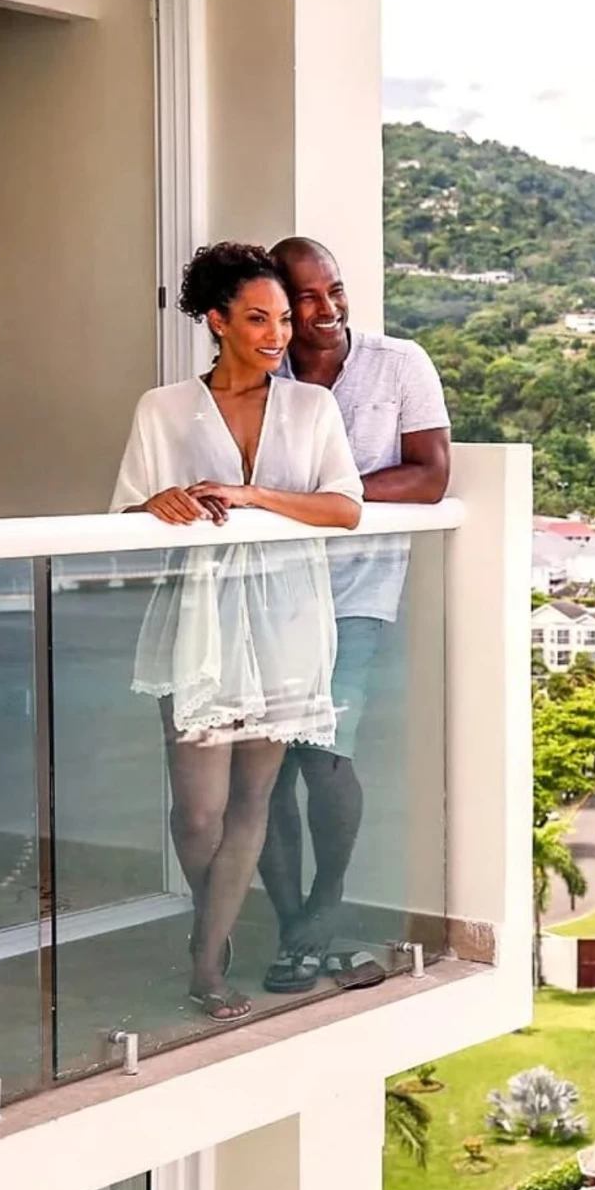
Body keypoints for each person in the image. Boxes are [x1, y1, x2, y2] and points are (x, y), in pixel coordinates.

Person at [112, 242, 364, 1022]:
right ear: (216, 320)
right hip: (199, 619)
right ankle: (212, 931)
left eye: (284, 319)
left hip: (288, 613)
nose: (278, 334)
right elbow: (123, 511)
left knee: (254, 799)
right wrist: (158, 504)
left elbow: (344, 505)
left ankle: (204, 960)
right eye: (258, 318)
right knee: (198, 810)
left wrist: (250, 495)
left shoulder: (310, 408)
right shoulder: (162, 408)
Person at [257, 237, 451, 994]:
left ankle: (325, 908)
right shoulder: (257, 372)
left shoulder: (400, 362)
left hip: (359, 590)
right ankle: (296, 932)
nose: (327, 309)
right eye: (306, 297)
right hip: (268, 592)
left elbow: (432, 476)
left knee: (325, 753)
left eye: (334, 289)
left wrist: (331, 499)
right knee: (265, 767)